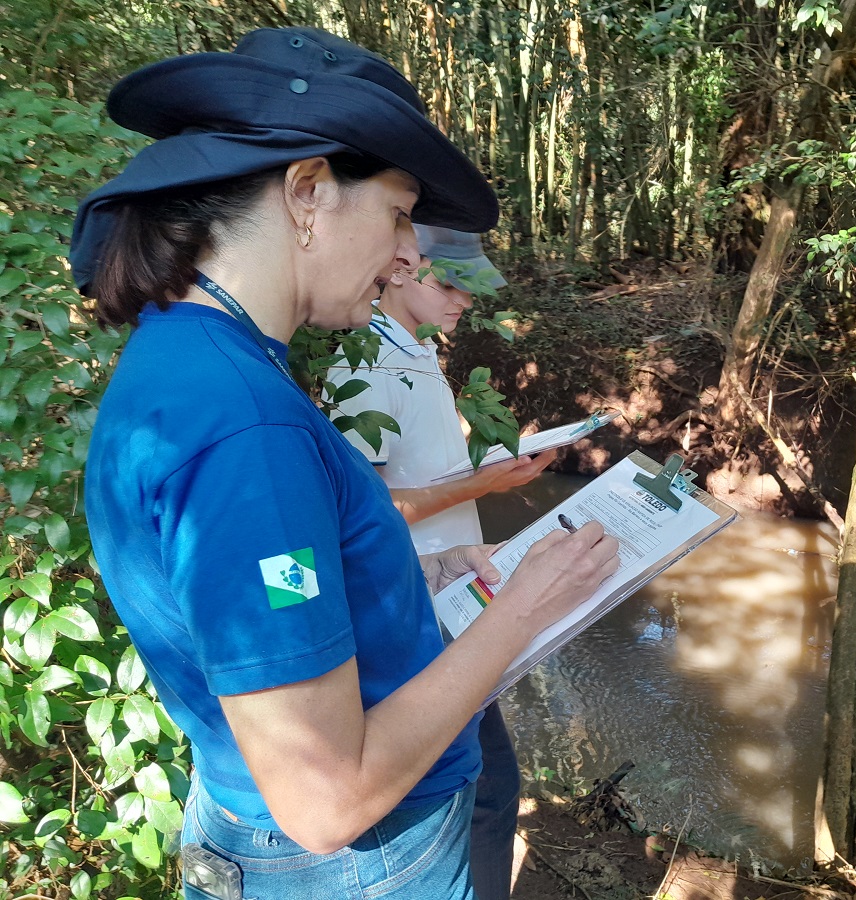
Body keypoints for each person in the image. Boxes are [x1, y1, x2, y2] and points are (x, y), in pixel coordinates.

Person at [72, 27, 619, 900]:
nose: (409, 254)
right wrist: (521, 612)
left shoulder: (190, 361)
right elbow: (326, 801)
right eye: (399, 213)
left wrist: (410, 566)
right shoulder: (248, 427)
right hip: (355, 864)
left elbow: (246, 593)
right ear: (307, 192)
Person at [326, 225, 553, 900]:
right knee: (475, 786)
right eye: (450, 283)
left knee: (483, 781)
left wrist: (486, 471)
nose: (464, 301)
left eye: (470, 287)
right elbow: (366, 513)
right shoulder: (361, 368)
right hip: (414, 609)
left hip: (453, 593)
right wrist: (484, 485)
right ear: (400, 270)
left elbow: (419, 477)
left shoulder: (416, 355)